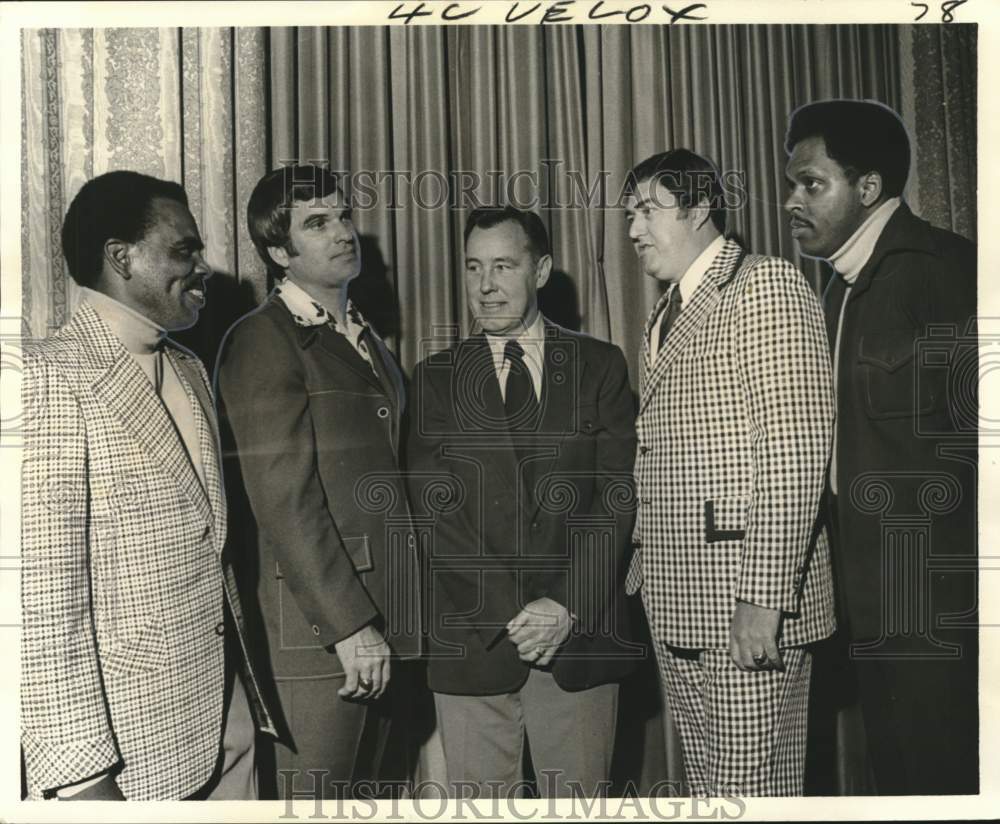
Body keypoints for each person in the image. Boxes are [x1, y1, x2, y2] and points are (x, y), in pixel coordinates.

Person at [21, 170, 271, 801]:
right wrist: (81, 777)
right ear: (120, 258)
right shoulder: (51, 378)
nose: (205, 268)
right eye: (184, 250)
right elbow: (43, 602)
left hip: (226, 718)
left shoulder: (187, 368)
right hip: (133, 757)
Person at [405, 206, 639, 798]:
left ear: (542, 271)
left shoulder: (599, 366)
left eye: (504, 266)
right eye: (474, 268)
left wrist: (565, 606)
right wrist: (513, 615)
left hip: (579, 641)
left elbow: (616, 497)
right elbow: (433, 512)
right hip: (475, 640)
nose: (485, 285)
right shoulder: (433, 379)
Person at [623, 149, 835, 796]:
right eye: (628, 214)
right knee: (717, 792)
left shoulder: (765, 285)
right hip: (677, 599)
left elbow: (796, 452)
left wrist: (764, 601)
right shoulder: (665, 313)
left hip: (745, 603)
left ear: (700, 207)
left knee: (750, 794)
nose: (632, 230)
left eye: (646, 211)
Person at [784, 99, 978, 795]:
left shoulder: (949, 272)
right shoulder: (838, 290)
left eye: (812, 184)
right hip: (866, 606)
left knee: (948, 782)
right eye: (792, 185)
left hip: (940, 609)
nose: (791, 201)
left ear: (868, 188)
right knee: (898, 782)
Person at [215, 165, 421, 800]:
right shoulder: (260, 341)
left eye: (342, 216)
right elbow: (285, 500)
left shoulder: (365, 339)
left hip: (391, 626)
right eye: (317, 223)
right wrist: (348, 626)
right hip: (322, 643)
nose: (342, 233)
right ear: (279, 253)